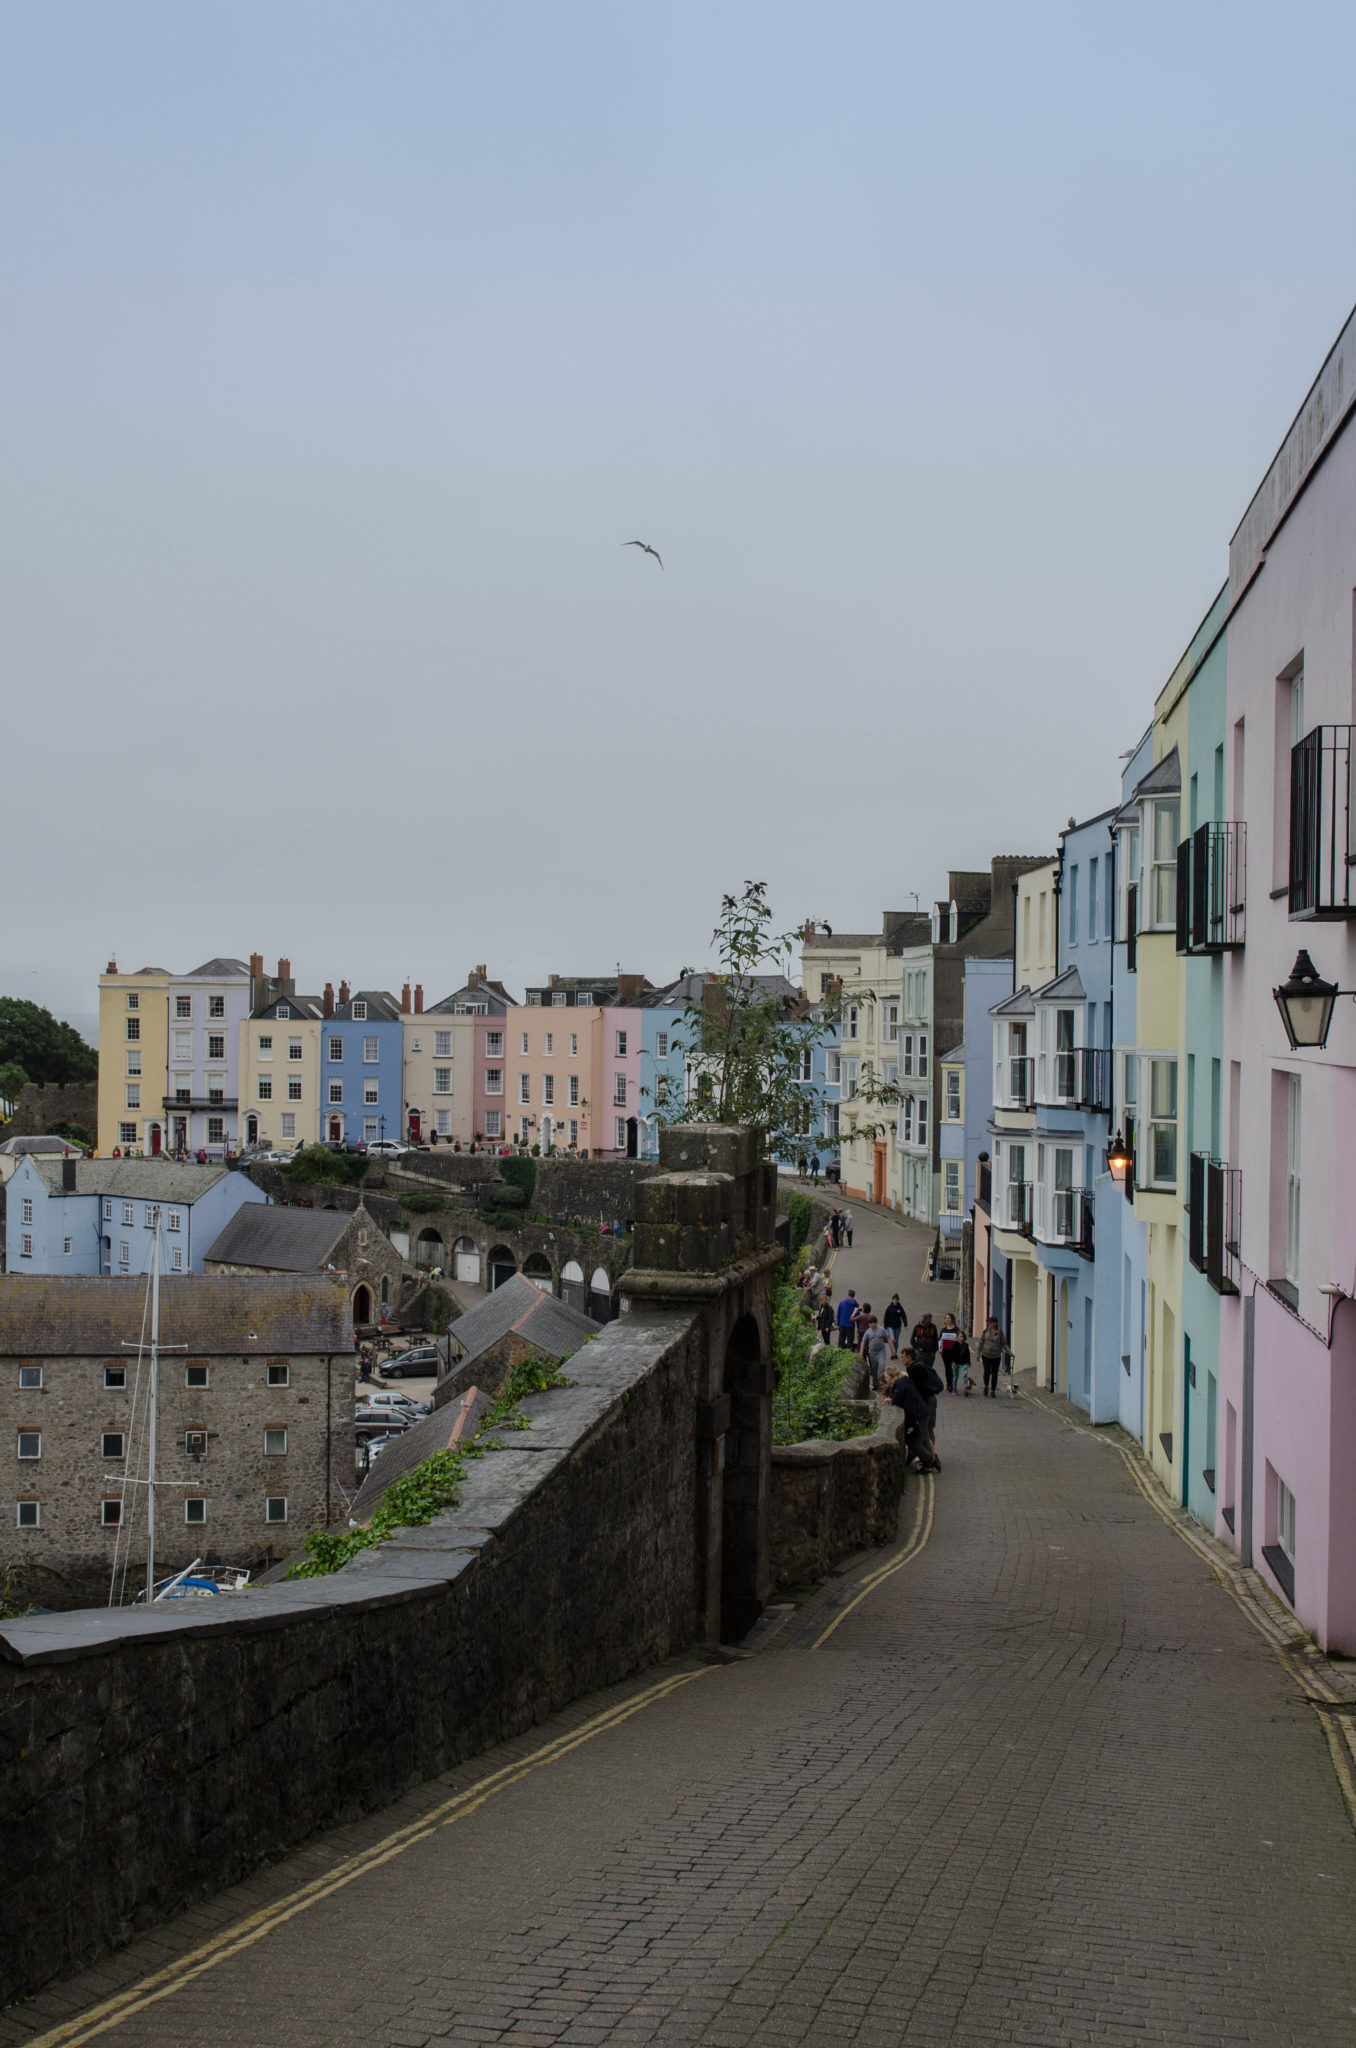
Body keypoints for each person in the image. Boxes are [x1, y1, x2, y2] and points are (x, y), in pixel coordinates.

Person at [888, 1367, 938, 1471]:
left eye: (886, 1377)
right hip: (922, 1413)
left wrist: (891, 1399)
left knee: (914, 1442)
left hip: (917, 1416)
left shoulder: (900, 1386)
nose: (886, 1379)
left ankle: (929, 1460)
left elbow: (896, 1402)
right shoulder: (903, 1381)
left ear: (892, 1377)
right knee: (924, 1439)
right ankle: (929, 1463)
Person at [904, 1344, 944, 1466]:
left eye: (903, 1356)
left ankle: (932, 1456)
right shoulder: (912, 1368)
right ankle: (929, 1455)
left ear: (910, 1357)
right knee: (926, 1429)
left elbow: (919, 1389)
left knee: (928, 1428)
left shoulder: (915, 1369)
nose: (901, 1359)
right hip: (926, 1400)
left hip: (928, 1401)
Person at [860, 1315, 892, 1391]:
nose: (871, 1325)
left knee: (881, 1367)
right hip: (872, 1352)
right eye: (870, 1324)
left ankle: (882, 1384)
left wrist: (892, 1349)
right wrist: (861, 1352)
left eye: (873, 1323)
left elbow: (888, 1339)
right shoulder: (868, 1332)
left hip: (881, 1351)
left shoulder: (882, 1330)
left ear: (876, 1323)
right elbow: (863, 1342)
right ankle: (875, 1384)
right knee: (874, 1369)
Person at [978, 1317, 1006, 1396]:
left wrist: (1009, 1352)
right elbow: (981, 1342)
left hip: (996, 1356)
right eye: (989, 1322)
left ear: (995, 1323)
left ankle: (993, 1390)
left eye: (991, 1322)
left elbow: (1004, 1343)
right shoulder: (985, 1331)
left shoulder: (1000, 1332)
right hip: (986, 1355)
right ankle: (986, 1386)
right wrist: (978, 1353)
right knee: (987, 1371)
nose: (989, 1324)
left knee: (994, 1373)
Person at [938, 1312, 963, 1393]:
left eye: (949, 1318)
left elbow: (960, 1341)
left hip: (954, 1352)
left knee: (953, 1367)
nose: (947, 1320)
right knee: (947, 1368)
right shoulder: (943, 1330)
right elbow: (940, 1341)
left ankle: (952, 1384)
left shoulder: (956, 1330)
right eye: (946, 1318)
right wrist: (940, 1349)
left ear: (952, 1319)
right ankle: (949, 1383)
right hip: (945, 1352)